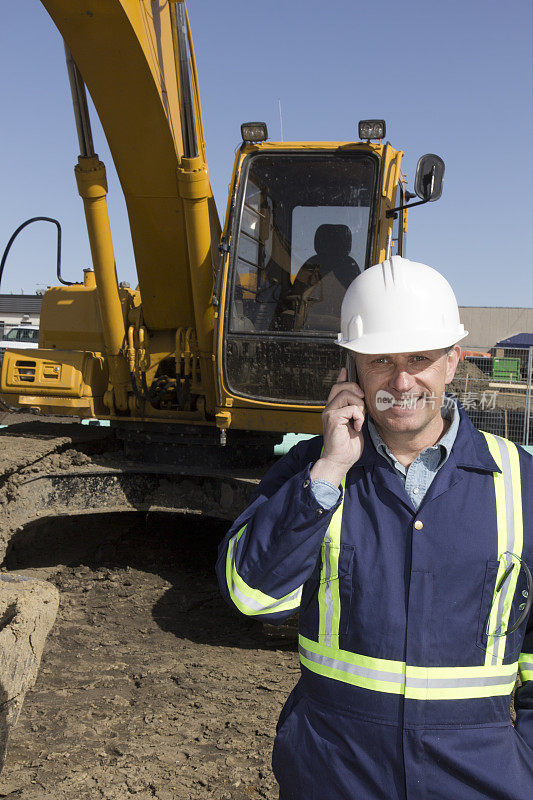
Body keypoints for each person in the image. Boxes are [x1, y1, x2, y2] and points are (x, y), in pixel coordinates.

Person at [216, 255, 533, 800]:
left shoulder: (521, 482)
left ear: (453, 363)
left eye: (420, 358)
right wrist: (329, 472)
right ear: (351, 371)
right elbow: (251, 595)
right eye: (381, 359)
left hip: (478, 776)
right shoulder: (310, 473)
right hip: (334, 773)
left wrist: (523, 761)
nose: (402, 380)